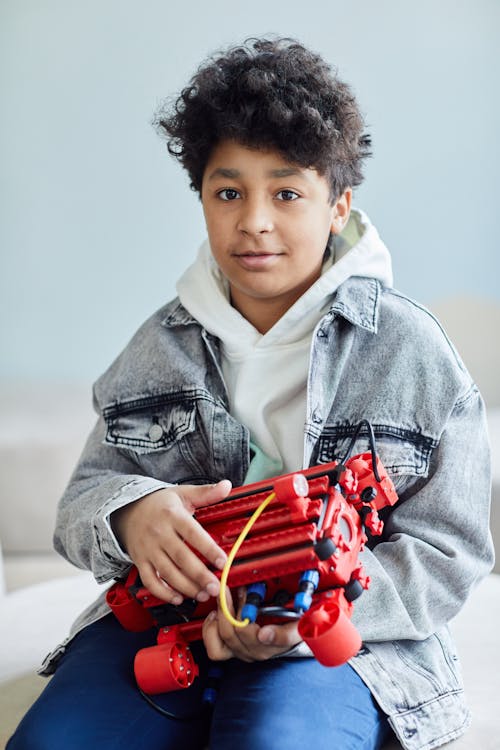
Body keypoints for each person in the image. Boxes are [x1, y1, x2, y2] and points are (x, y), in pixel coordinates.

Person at [8, 37, 494, 750]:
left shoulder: (413, 353)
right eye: (228, 191)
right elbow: (86, 495)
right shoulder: (157, 348)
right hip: (174, 620)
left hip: (344, 637)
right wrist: (133, 515)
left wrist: (309, 613)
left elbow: (451, 549)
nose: (254, 221)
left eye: (288, 192)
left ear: (339, 206)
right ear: (202, 197)